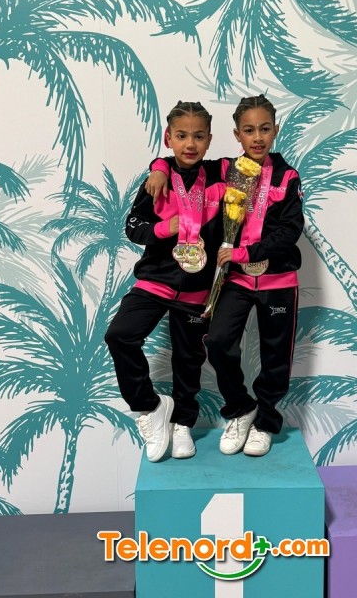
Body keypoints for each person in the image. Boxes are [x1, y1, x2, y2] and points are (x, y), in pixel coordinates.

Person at [147, 94, 304, 457]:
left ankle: (265, 422)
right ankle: (240, 408)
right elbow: (184, 162)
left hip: (278, 281)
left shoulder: (288, 176)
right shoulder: (226, 170)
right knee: (217, 342)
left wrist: (245, 253)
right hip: (236, 280)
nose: (257, 137)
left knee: (276, 355)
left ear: (276, 130)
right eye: (249, 130)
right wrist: (159, 167)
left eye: (265, 129)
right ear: (237, 135)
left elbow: (290, 231)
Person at [105, 101, 228, 462]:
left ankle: (183, 424)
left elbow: (254, 164)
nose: (190, 143)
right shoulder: (156, 181)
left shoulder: (218, 176)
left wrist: (158, 163)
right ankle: (151, 407)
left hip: (196, 288)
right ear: (168, 138)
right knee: (119, 335)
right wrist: (166, 226)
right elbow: (133, 228)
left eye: (199, 136)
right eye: (182, 135)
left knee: (188, 359)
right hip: (154, 282)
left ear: (209, 140)